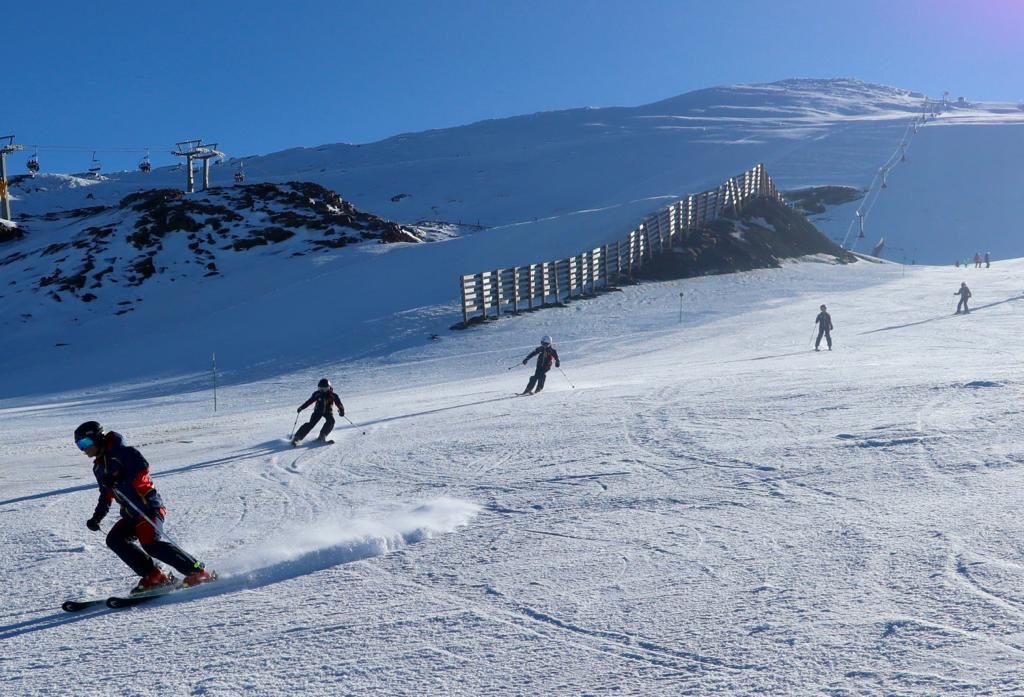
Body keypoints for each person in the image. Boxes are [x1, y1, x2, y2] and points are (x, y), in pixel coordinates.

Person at [75, 421, 214, 593]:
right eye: (79, 445)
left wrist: (119, 479)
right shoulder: (98, 467)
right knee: (115, 540)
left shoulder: (123, 452)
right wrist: (97, 517)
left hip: (148, 508)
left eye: (85, 443)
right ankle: (154, 576)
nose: (83, 449)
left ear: (97, 438)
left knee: (150, 544)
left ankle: (198, 572)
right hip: (130, 514)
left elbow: (142, 469)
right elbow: (106, 494)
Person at [292, 378, 344, 445]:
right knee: (311, 423)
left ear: (328, 388)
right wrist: (302, 407)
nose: (322, 390)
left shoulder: (333, 395)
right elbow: (309, 401)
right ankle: (297, 437)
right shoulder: (317, 394)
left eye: (324, 389)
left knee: (331, 421)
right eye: (320, 388)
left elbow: (339, 403)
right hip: (318, 410)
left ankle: (322, 436)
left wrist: (341, 410)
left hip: (328, 411)